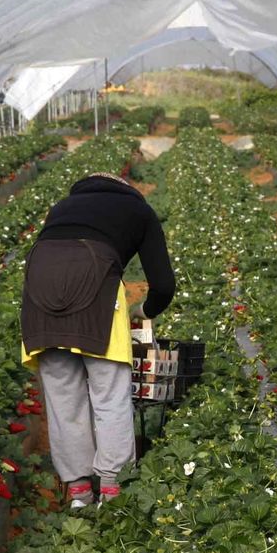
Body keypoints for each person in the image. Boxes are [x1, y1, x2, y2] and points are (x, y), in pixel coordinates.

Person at [20, 172, 175, 509]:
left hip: (39, 289)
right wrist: (143, 311)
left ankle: (79, 494)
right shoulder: (138, 210)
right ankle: (112, 490)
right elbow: (163, 285)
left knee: (63, 397)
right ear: (126, 190)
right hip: (95, 285)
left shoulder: (62, 208)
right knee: (109, 394)